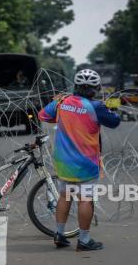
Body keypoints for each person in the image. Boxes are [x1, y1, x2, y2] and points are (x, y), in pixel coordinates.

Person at [38, 69, 121, 251]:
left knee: (64, 196)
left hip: (63, 161)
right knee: (85, 199)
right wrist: (108, 107)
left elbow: (43, 115)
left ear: (75, 86)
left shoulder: (62, 102)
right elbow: (115, 121)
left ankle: (59, 235)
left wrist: (59, 110)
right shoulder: (96, 106)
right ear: (96, 88)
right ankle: (84, 240)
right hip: (85, 162)